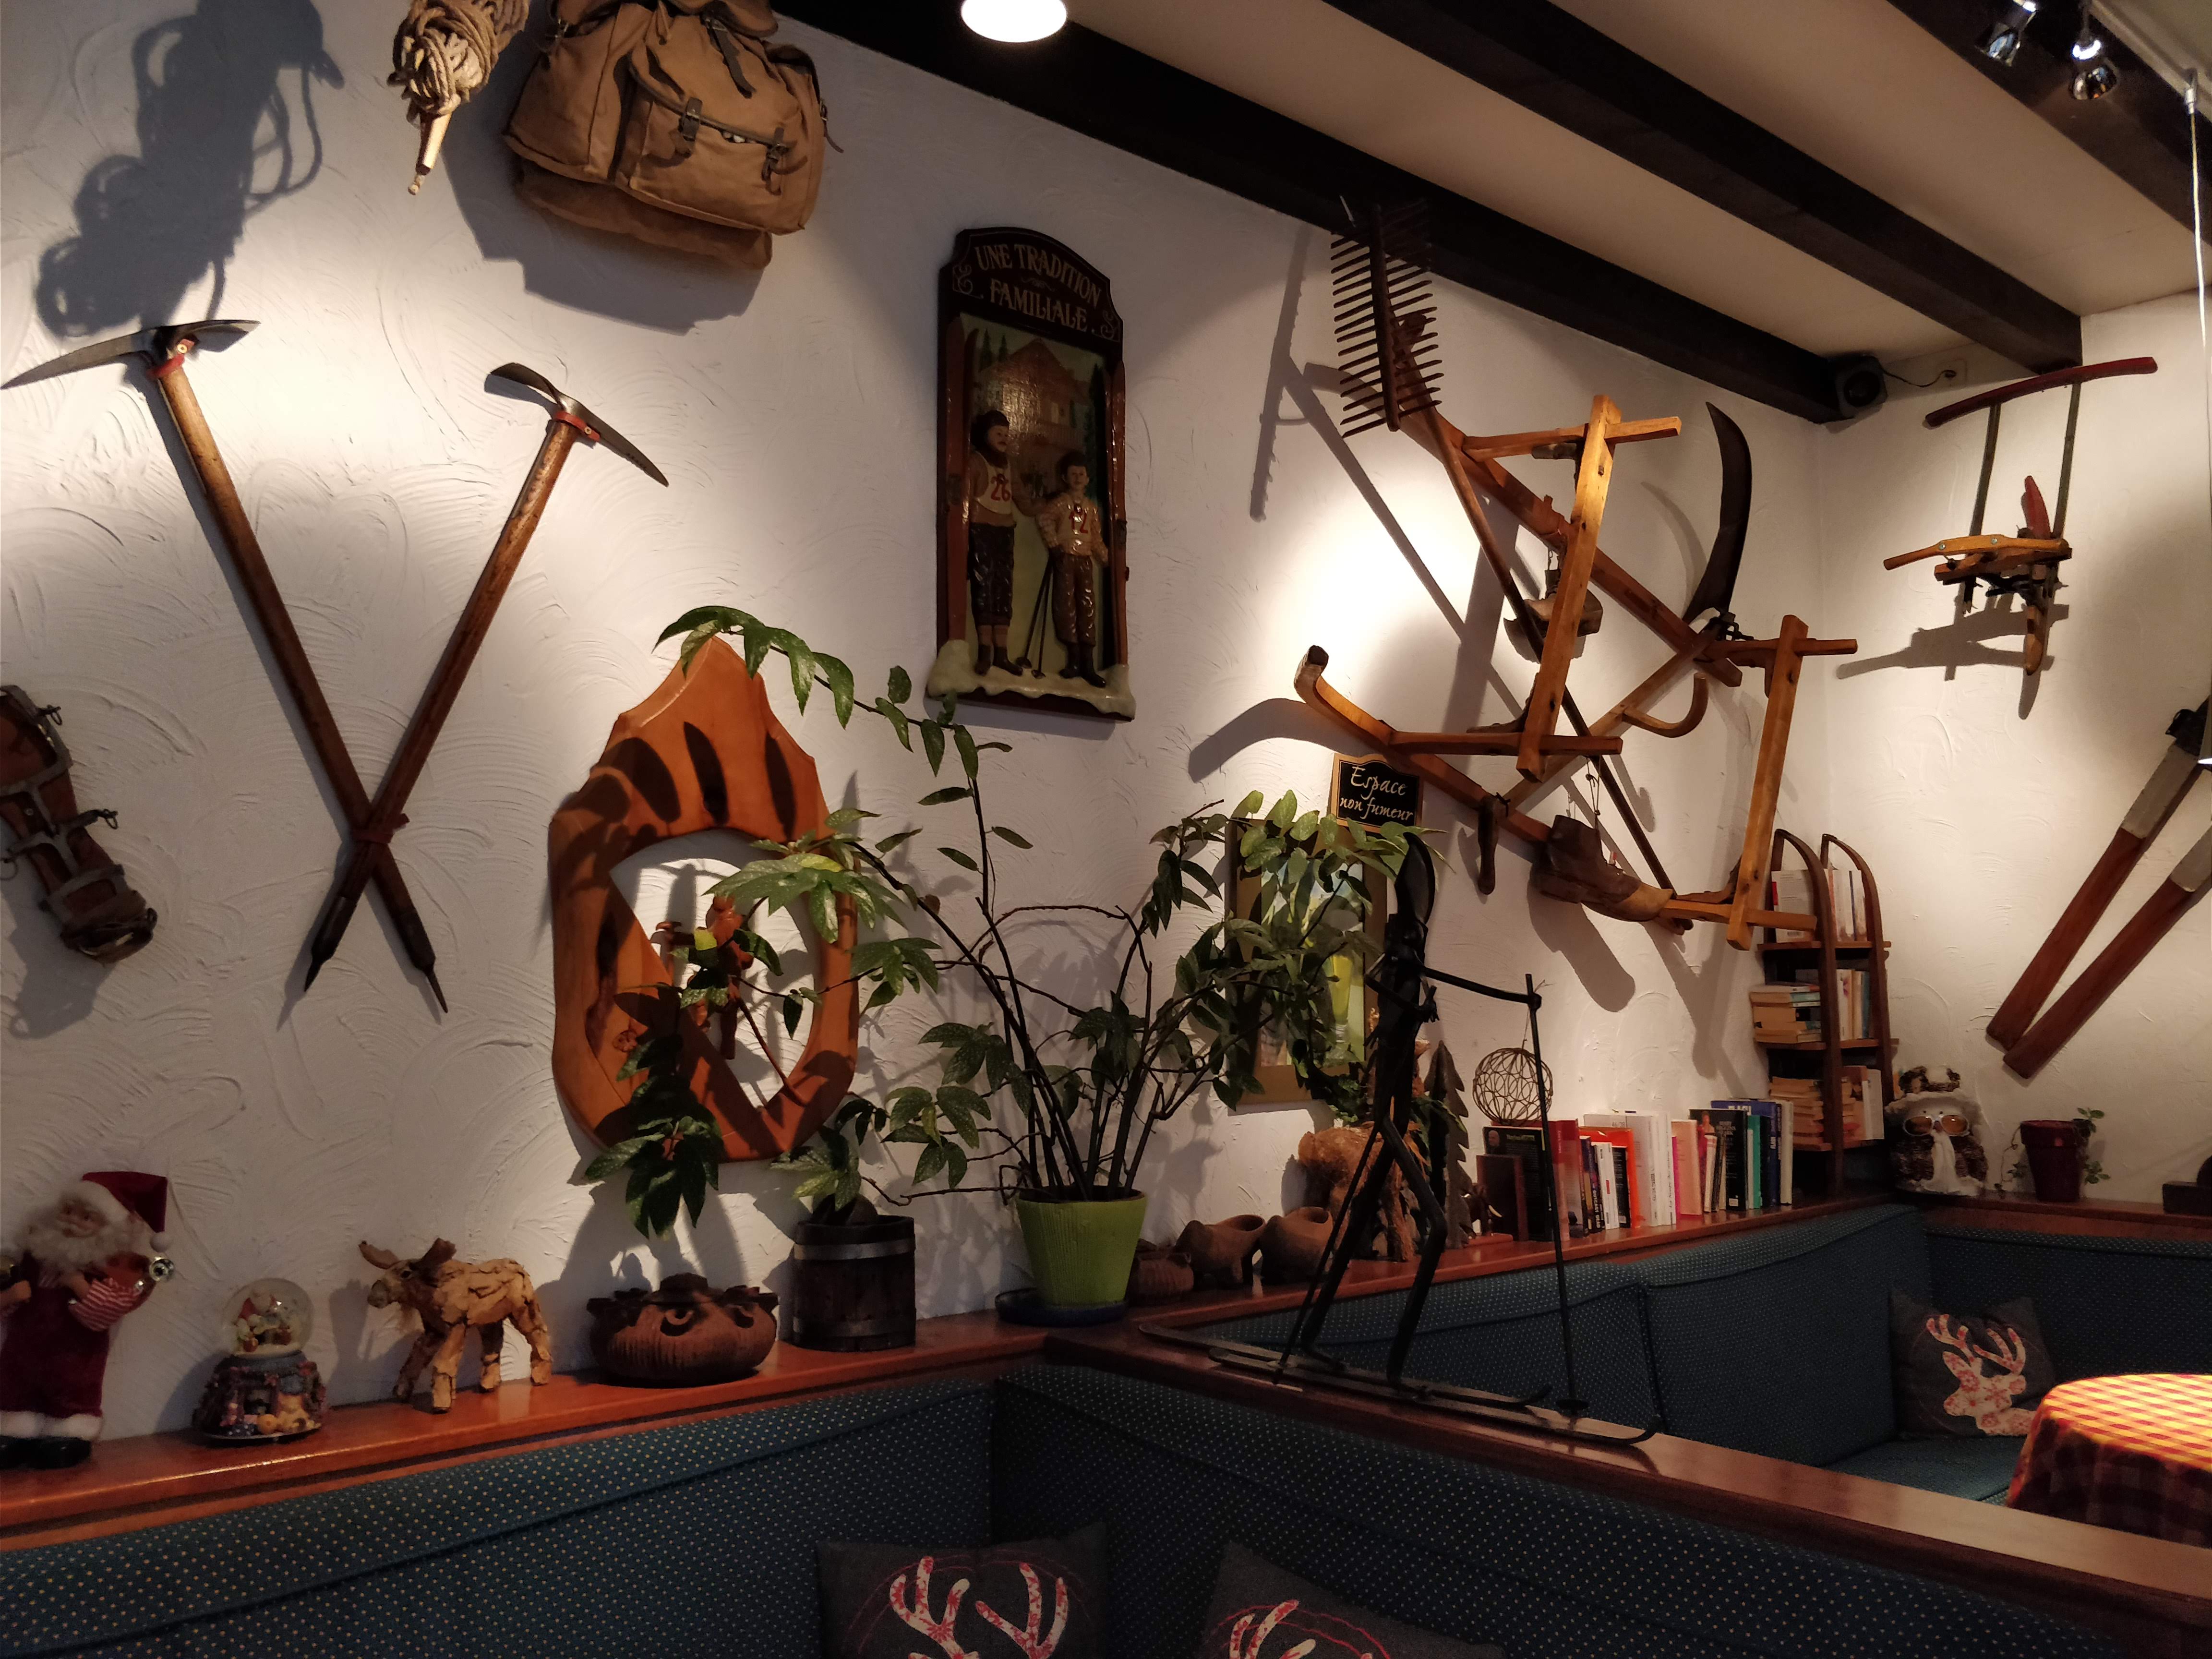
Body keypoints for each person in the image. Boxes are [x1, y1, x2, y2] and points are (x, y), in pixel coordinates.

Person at [0, 1172, 169, 1468]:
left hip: (75, 1356)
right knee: (15, 1387)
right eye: (68, 1212)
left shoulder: (113, 1269)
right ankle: (15, 1430)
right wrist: (11, 1296)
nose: (72, 1222)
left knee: (71, 1392)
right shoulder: (36, 1256)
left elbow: (110, 1311)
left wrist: (79, 1284)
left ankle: (69, 1434)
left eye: (87, 1217)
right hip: (23, 1350)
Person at [963, 410, 1031, 677]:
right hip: (982, 530)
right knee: (984, 588)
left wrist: (1049, 502)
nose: (1004, 438)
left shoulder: (1009, 465)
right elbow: (965, 500)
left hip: (1005, 532)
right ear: (985, 435)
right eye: (998, 433)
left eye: (1006, 434)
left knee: (1004, 589)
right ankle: (985, 652)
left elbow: (1024, 502)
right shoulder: (976, 462)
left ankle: (1002, 653)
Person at [1035, 451, 1110, 687]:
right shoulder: (1061, 503)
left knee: (1087, 606)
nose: (1078, 478)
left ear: (1087, 479)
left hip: (1085, 560)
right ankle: (1074, 660)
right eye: (1073, 474)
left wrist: (1109, 561)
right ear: (1065, 478)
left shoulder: (1091, 509)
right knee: (1066, 604)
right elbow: (1045, 519)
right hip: (1066, 558)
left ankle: (1088, 663)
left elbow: (1096, 538)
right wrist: (1054, 545)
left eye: (1081, 474)